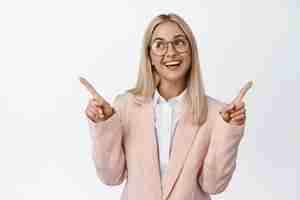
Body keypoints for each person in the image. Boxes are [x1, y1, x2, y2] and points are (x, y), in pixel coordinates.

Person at [80, 13, 252, 200]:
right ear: (149, 56)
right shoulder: (126, 106)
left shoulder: (215, 113)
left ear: (191, 51)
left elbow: (214, 185)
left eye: (179, 42)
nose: (170, 52)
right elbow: (110, 177)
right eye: (159, 45)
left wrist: (228, 130)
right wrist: (104, 125)